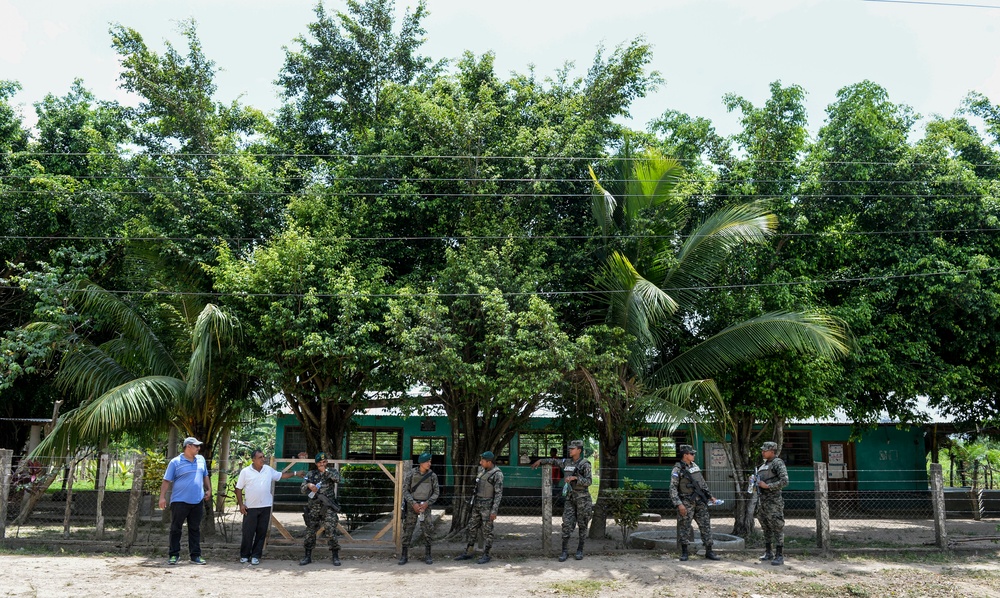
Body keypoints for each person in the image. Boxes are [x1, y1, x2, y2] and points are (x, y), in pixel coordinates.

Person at [234, 449, 299, 565]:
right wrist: (241, 504)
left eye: (263, 457)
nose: (263, 459)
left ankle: (256, 556)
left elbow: (281, 475)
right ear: (253, 460)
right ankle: (244, 555)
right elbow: (238, 489)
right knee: (248, 532)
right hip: (250, 507)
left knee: (261, 532)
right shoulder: (245, 472)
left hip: (265, 506)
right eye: (260, 457)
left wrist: (295, 473)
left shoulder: (268, 470)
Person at [532, 439, 592, 561]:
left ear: (579, 450)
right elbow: (554, 461)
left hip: (583, 499)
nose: (570, 450)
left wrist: (575, 478)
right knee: (566, 524)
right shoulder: (567, 462)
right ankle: (564, 551)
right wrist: (541, 461)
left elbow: (589, 481)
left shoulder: (585, 464)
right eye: (569, 448)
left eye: (572, 449)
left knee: (582, 524)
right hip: (570, 498)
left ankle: (580, 550)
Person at [159, 436, 212, 565]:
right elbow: (166, 480)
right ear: (188, 446)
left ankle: (195, 556)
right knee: (176, 528)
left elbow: (205, 475)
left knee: (195, 529)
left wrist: (209, 489)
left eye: (199, 446)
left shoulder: (201, 460)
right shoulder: (175, 462)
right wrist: (162, 497)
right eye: (196, 446)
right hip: (180, 501)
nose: (199, 448)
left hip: (197, 501)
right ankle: (174, 555)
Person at [669, 444, 721, 562]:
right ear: (685, 455)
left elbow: (702, 483)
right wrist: (679, 504)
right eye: (691, 454)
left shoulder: (695, 467)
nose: (693, 455)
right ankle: (684, 552)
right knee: (685, 527)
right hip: (686, 501)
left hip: (700, 501)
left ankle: (709, 551)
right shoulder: (677, 469)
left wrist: (710, 496)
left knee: (706, 525)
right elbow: (672, 488)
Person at [454, 451, 504, 564]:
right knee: (472, 527)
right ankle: (469, 552)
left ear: (489, 462)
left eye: (482, 460)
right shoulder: (482, 471)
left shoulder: (497, 474)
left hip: (488, 505)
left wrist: (494, 511)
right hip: (477, 503)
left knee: (487, 531)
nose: (480, 462)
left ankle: (487, 554)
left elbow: (498, 494)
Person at [299, 452, 343, 567]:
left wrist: (326, 472)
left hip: (328, 507)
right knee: (310, 531)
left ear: (327, 462)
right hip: (313, 507)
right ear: (316, 463)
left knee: (330, 530)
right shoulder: (311, 474)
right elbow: (302, 489)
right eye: (320, 463)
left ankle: (335, 555)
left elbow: (338, 479)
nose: (322, 464)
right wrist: (309, 486)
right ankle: (307, 556)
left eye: (324, 462)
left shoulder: (331, 472)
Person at [399, 452, 440, 565]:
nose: (429, 463)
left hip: (425, 506)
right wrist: (413, 503)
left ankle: (428, 555)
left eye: (430, 461)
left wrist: (427, 503)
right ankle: (404, 555)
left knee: (427, 530)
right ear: (421, 463)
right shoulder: (411, 474)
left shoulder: (432, 476)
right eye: (427, 461)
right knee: (408, 529)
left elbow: (436, 492)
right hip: (413, 506)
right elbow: (405, 490)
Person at [754, 441, 789, 566]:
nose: (762, 452)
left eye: (765, 450)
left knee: (777, 527)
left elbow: (785, 481)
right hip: (762, 501)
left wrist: (768, 486)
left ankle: (779, 555)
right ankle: (768, 552)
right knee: (766, 527)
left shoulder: (777, 463)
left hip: (774, 502)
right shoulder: (764, 465)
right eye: (762, 450)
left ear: (772, 451)